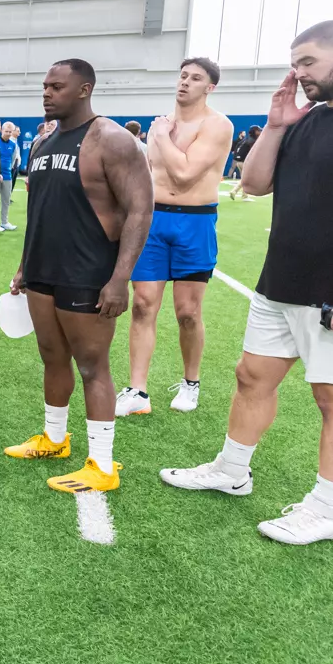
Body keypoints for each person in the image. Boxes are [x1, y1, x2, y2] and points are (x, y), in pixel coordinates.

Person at [160, 20, 333, 545]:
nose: (298, 74)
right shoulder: (307, 119)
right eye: (295, 64)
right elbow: (255, 184)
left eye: (308, 62)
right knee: (251, 376)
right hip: (282, 279)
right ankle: (232, 469)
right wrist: (278, 125)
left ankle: (327, 508)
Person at [4, 59, 153, 495]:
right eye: (45, 86)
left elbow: (141, 211)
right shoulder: (43, 142)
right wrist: (23, 265)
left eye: (56, 87)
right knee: (51, 357)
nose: (46, 93)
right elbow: (41, 210)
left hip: (88, 272)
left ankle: (102, 465)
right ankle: (54, 439)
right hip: (42, 270)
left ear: (84, 89)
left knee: (92, 366)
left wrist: (119, 278)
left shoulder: (112, 139)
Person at [117, 57, 234, 418]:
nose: (185, 82)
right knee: (142, 305)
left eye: (195, 78)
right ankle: (138, 390)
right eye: (183, 76)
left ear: (209, 87)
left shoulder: (217, 125)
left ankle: (191, 382)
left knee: (187, 312)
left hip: (194, 222)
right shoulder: (162, 125)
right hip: (154, 220)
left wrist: (160, 136)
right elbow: (151, 174)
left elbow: (184, 174)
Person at [0, 121, 21, 233]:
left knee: (6, 200)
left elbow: (13, 160)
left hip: (7, 176)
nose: (8, 133)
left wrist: (8, 170)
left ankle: (5, 222)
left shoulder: (13, 145)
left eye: (10, 131)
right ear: (2, 130)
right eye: (6, 131)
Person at [229, 125, 261, 199]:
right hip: (244, 162)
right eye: (258, 131)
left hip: (238, 162)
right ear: (255, 132)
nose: (260, 132)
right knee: (246, 179)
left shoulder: (245, 140)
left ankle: (244, 196)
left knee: (245, 179)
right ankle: (234, 191)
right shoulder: (253, 141)